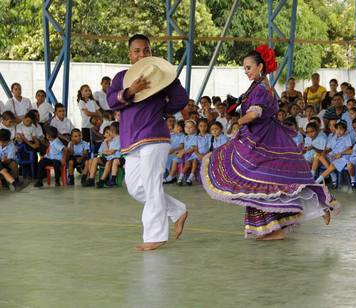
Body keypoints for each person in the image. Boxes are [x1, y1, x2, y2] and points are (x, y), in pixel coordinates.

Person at [200, 45, 338, 241]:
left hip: (265, 139)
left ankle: (316, 207)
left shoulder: (262, 90)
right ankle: (273, 227)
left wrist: (238, 121)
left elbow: (255, 113)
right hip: (260, 137)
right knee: (262, 182)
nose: (246, 71)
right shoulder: (257, 87)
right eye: (245, 68)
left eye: (248, 67)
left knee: (266, 181)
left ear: (260, 67)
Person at [107, 34, 188, 251]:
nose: (142, 54)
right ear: (130, 54)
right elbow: (111, 101)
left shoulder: (162, 76)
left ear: (151, 52)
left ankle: (155, 235)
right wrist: (131, 91)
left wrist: (160, 108)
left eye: (146, 50)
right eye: (137, 50)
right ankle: (177, 211)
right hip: (130, 140)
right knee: (135, 188)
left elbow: (181, 99)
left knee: (152, 185)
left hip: (154, 135)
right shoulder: (122, 77)